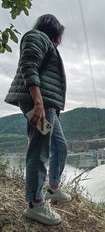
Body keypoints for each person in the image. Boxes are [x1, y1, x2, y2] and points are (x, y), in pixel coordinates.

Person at [5, 14, 71, 225]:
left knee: (60, 147)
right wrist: (38, 103)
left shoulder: (47, 44)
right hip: (39, 103)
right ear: (54, 30)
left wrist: (54, 111)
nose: (61, 39)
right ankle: (35, 204)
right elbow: (29, 66)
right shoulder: (37, 37)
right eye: (60, 34)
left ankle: (53, 188)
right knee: (39, 151)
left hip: (48, 106)